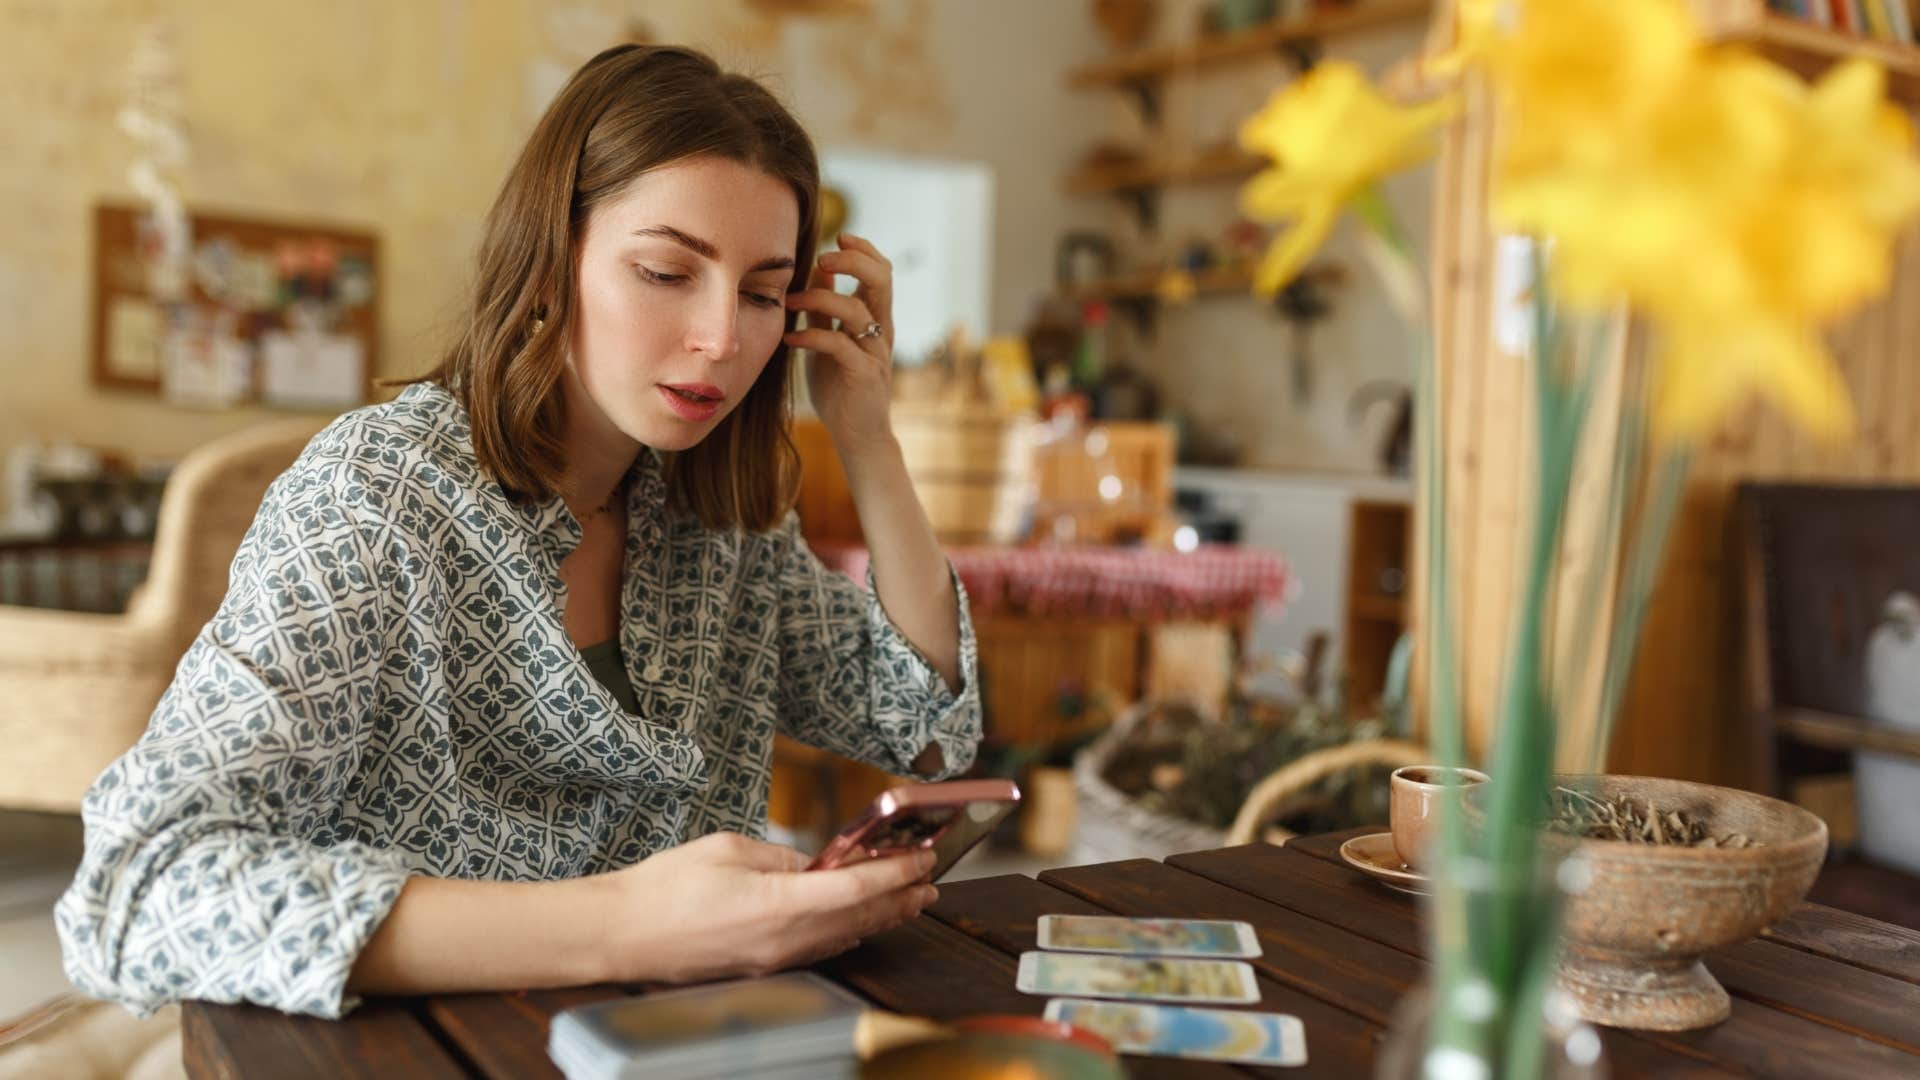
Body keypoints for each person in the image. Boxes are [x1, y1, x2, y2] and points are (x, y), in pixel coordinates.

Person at [55, 44, 982, 1020]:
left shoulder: (713, 522)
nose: (721, 336)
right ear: (553, 259)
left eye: (761, 293)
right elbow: (135, 892)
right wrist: (630, 923)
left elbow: (923, 729)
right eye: (666, 271)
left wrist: (868, 437)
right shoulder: (377, 499)